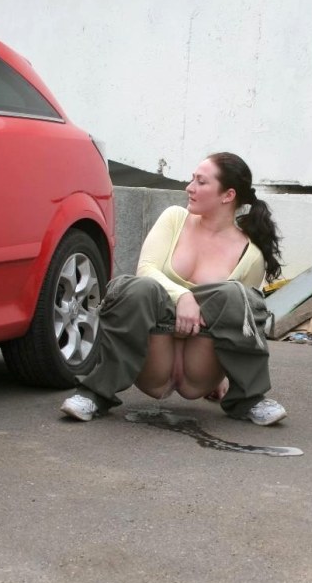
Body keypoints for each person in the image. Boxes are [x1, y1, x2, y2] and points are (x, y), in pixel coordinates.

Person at [60, 152, 288, 425]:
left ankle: (248, 399)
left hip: (199, 365)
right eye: (192, 179)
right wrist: (183, 297)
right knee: (137, 287)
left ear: (227, 196)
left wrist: (227, 375)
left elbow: (243, 325)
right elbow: (147, 268)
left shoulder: (250, 254)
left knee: (237, 296)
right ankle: (95, 395)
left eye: (201, 182)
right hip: (153, 353)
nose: (189, 188)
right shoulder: (174, 218)